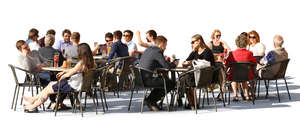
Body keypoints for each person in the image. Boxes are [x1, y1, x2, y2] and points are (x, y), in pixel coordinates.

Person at [22, 43, 96, 112]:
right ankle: (33, 99)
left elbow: (69, 74)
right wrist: (64, 72)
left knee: (47, 91)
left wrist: (61, 78)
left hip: (73, 85)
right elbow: (74, 70)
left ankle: (32, 106)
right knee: (51, 83)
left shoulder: (81, 63)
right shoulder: (92, 63)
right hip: (79, 84)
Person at [139, 35, 177, 111]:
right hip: (147, 80)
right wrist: (174, 64)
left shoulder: (149, 49)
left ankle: (150, 100)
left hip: (139, 79)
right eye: (165, 45)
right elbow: (166, 66)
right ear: (161, 44)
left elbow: (154, 63)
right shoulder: (157, 51)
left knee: (163, 81)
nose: (165, 48)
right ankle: (151, 101)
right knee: (171, 83)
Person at [181, 34, 217, 109]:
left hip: (205, 78)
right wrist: (186, 63)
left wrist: (191, 62)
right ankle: (192, 103)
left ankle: (193, 103)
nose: (192, 44)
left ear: (199, 41)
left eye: (193, 42)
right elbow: (186, 61)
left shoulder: (207, 51)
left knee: (186, 78)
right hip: (195, 75)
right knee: (184, 77)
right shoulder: (194, 52)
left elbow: (205, 64)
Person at [225, 34, 257, 101]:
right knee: (244, 76)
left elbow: (227, 64)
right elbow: (254, 63)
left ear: (236, 43)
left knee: (234, 78)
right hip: (247, 75)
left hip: (234, 76)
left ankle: (235, 95)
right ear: (246, 43)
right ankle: (247, 95)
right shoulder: (249, 53)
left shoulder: (232, 54)